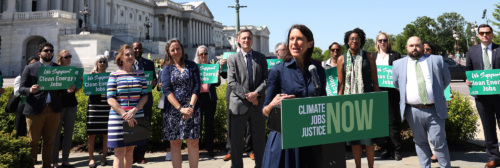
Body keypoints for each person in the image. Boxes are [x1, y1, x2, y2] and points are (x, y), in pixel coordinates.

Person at [262, 24, 326, 168]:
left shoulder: (318, 71)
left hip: (311, 141)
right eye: (291, 39)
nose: (294, 43)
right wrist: (273, 105)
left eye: (299, 39)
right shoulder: (277, 71)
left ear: (310, 43)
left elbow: (324, 105)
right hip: (284, 142)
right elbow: (264, 112)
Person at [393, 36, 451, 168]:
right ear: (407, 48)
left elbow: (446, 80)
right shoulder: (398, 64)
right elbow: (397, 84)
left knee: (438, 142)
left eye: (417, 45)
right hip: (412, 111)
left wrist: (434, 93)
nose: (415, 48)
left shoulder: (436, 60)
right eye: (411, 45)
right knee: (420, 142)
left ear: (422, 47)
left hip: (434, 109)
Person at [20, 42, 74, 167]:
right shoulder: (30, 68)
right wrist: (30, 90)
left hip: (53, 110)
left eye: (51, 50)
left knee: (49, 141)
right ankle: (30, 164)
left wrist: (68, 90)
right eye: (46, 50)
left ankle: (47, 166)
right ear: (40, 53)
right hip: (35, 110)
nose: (49, 52)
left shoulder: (58, 68)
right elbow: (21, 88)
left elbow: (62, 90)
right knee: (32, 142)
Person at [337, 28, 382, 168]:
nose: (355, 41)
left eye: (357, 38)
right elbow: (341, 84)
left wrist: (378, 101)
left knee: (369, 140)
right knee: (355, 140)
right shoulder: (341, 59)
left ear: (361, 41)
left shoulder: (369, 56)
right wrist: (338, 103)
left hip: (368, 101)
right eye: (352, 39)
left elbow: (375, 82)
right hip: (349, 103)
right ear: (347, 42)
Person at [227, 29, 268, 168]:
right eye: (243, 38)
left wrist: (256, 94)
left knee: (259, 141)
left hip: (257, 104)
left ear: (252, 40)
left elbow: (266, 80)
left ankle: (260, 166)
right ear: (238, 40)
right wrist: (249, 96)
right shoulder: (232, 59)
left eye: (249, 38)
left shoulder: (261, 58)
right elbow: (232, 82)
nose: (246, 40)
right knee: (236, 142)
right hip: (238, 105)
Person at [161, 38, 201, 168]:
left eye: (178, 48)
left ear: (182, 50)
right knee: (175, 143)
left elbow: (196, 87)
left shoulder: (192, 65)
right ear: (168, 52)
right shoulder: (166, 68)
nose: (176, 51)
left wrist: (190, 107)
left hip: (192, 108)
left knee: (193, 142)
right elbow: (167, 90)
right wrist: (180, 108)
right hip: (173, 110)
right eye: (173, 50)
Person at [107, 44, 149, 168]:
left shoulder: (140, 74)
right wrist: (124, 114)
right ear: (121, 58)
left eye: (132, 54)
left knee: (130, 150)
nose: (130, 56)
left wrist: (134, 111)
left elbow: (145, 96)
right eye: (127, 54)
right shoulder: (114, 75)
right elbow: (110, 98)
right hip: (118, 117)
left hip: (136, 116)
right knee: (119, 152)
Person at [465, 24, 500, 168]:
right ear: (478, 35)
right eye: (482, 33)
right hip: (482, 96)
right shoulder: (472, 51)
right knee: (488, 126)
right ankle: (494, 157)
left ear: (492, 34)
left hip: (499, 94)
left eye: (487, 32)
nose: (485, 35)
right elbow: (468, 70)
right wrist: (467, 80)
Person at [374, 32, 403, 161]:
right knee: (381, 123)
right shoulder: (372, 56)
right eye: (380, 40)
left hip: (392, 93)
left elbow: (401, 73)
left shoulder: (395, 55)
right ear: (377, 42)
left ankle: (396, 150)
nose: (383, 43)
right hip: (378, 93)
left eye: (385, 40)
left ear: (388, 41)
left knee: (393, 122)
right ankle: (385, 149)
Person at [131, 41, 157, 164]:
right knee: (131, 126)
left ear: (142, 50)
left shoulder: (149, 63)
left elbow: (153, 80)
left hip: (146, 98)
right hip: (131, 100)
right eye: (135, 48)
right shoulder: (127, 64)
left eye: (139, 48)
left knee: (144, 126)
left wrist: (154, 83)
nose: (137, 50)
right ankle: (131, 154)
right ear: (132, 49)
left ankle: (140, 155)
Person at [52, 50, 79, 168]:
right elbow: (52, 87)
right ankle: (54, 161)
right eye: (66, 57)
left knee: (69, 133)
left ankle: (65, 160)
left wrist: (78, 86)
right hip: (59, 105)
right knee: (56, 134)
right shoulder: (55, 70)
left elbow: (75, 91)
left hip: (71, 104)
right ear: (60, 59)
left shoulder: (73, 71)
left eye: (70, 56)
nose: (69, 58)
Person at [193, 45, 221, 157]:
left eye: (205, 53)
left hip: (210, 98)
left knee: (210, 124)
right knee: (197, 124)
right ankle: (197, 148)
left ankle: (210, 148)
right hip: (198, 98)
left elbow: (217, 84)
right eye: (201, 54)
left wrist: (218, 77)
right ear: (198, 55)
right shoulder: (194, 67)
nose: (203, 56)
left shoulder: (212, 66)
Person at [87, 55, 110, 168]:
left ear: (106, 64)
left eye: (103, 61)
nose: (101, 63)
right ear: (96, 63)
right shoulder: (92, 75)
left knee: (106, 134)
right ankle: (91, 159)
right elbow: (87, 89)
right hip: (94, 106)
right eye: (99, 61)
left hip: (106, 106)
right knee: (91, 134)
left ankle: (104, 158)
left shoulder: (110, 76)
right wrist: (90, 78)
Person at [422, 41, 440, 163]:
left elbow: (445, 80)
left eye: (427, 49)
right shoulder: (415, 63)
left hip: (436, 102)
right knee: (424, 131)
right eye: (423, 49)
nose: (425, 51)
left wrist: (447, 95)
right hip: (420, 102)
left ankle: (437, 153)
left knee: (437, 131)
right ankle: (430, 152)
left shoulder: (438, 62)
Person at [14, 56, 39, 139]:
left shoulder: (40, 79)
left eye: (36, 64)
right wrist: (29, 90)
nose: (33, 66)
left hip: (35, 105)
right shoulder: (20, 77)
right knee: (19, 128)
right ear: (27, 65)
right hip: (23, 104)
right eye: (31, 64)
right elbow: (17, 93)